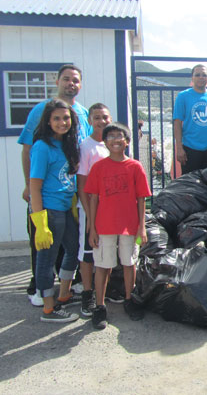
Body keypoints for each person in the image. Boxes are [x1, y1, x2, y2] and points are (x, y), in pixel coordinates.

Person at [18, 64, 92, 306]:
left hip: (68, 194)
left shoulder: (81, 113)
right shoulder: (42, 111)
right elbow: (28, 149)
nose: (71, 83)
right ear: (57, 81)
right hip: (46, 196)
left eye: (76, 80)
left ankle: (65, 289)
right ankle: (39, 290)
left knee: (72, 245)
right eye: (67, 79)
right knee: (43, 247)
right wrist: (30, 187)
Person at [85, 123, 151, 329]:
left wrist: (142, 228)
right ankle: (99, 306)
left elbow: (142, 199)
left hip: (129, 226)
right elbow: (93, 199)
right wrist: (92, 228)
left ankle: (129, 300)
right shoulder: (98, 167)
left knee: (129, 263)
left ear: (127, 142)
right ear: (105, 142)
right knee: (103, 265)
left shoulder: (135, 167)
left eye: (119, 136)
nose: (115, 140)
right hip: (104, 226)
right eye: (110, 136)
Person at [29, 99, 81, 323]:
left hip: (65, 208)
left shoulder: (68, 145)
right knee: (47, 258)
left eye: (66, 118)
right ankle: (49, 308)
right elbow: (34, 187)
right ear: (48, 122)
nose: (62, 122)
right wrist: (40, 224)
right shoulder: (42, 146)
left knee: (74, 248)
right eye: (57, 118)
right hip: (50, 211)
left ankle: (64, 293)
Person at [76, 103, 112, 317]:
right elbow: (81, 186)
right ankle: (87, 295)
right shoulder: (85, 147)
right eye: (97, 117)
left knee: (106, 251)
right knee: (88, 253)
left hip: (110, 209)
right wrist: (89, 216)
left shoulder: (113, 144)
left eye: (105, 117)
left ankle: (105, 291)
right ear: (90, 121)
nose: (101, 121)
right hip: (90, 208)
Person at [173, 64, 207, 174]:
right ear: (192, 78)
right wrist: (179, 148)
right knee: (190, 185)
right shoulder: (183, 96)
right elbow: (177, 122)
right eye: (197, 75)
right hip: (190, 148)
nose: (201, 77)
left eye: (204, 75)